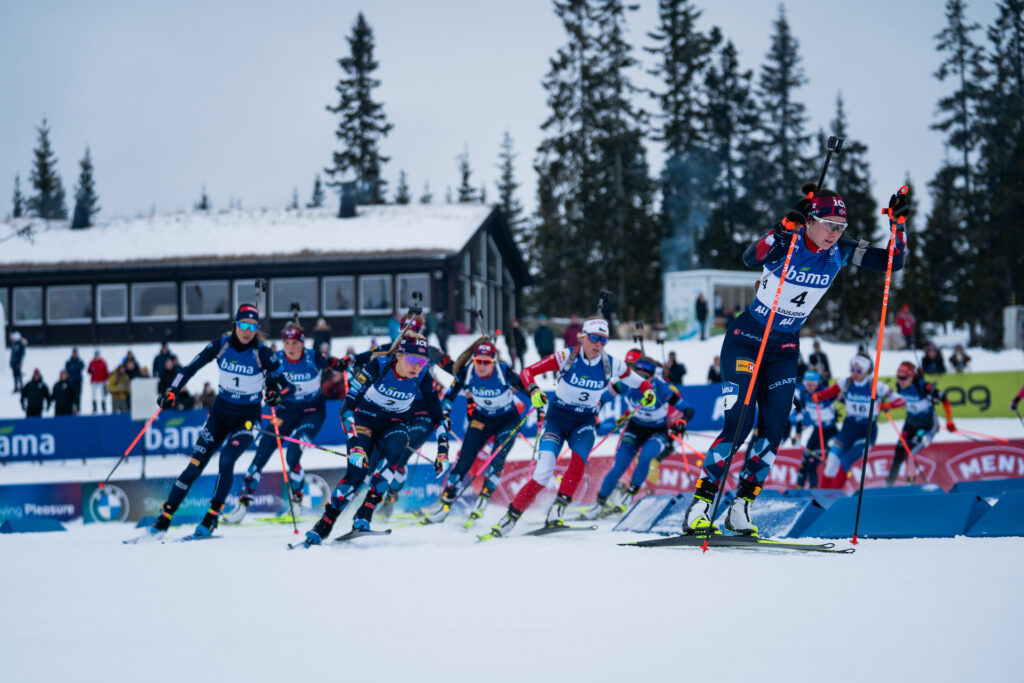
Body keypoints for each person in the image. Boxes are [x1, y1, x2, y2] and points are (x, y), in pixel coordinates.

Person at [682, 184, 908, 536]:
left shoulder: (842, 251)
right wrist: (781, 229)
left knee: (774, 429)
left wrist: (898, 227)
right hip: (747, 340)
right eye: (829, 225)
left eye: (841, 227)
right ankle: (702, 503)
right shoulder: (788, 242)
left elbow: (893, 261)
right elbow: (751, 257)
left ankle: (741, 507)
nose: (835, 234)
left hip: (784, 347)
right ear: (810, 221)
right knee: (739, 423)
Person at [482, 316, 655, 539]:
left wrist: (648, 391)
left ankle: (557, 510)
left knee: (579, 461)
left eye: (604, 340)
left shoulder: (611, 364)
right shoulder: (566, 357)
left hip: (584, 422)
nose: (599, 344)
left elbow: (640, 382)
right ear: (583, 337)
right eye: (595, 338)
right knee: (543, 473)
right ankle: (510, 517)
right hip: (557, 419)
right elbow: (527, 372)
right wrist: (534, 390)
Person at [143, 304, 292, 540]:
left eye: (253, 327)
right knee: (194, 466)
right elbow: (190, 368)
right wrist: (172, 390)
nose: (247, 331)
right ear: (235, 324)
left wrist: (277, 395)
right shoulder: (220, 346)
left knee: (226, 460)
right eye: (243, 325)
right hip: (219, 416)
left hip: (247, 420)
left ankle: (211, 518)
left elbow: (288, 386)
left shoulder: (262, 353)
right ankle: (164, 518)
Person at [301, 334, 450, 545]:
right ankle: (324, 524)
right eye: (412, 359)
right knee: (357, 475)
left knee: (396, 450)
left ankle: (364, 514)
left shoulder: (423, 375)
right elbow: (347, 408)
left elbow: (438, 416)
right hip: (365, 419)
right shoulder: (378, 366)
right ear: (399, 355)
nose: (417, 366)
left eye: (423, 361)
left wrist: (443, 450)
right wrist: (355, 445)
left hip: (395, 423)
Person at [230, 323, 338, 520]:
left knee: (293, 454)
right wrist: (269, 391)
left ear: (302, 343)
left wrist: (352, 364)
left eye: (295, 343)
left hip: (312, 413)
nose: (290, 347)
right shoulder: (276, 359)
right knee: (262, 451)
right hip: (286, 412)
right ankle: (242, 506)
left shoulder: (313, 357)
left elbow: (337, 365)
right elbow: (258, 376)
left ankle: (297, 503)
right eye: (287, 343)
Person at [420, 338, 529, 526]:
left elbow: (529, 389)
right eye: (479, 361)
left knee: (497, 457)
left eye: (487, 362)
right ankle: (444, 506)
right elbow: (449, 397)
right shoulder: (466, 372)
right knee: (464, 461)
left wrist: (540, 400)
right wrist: (445, 414)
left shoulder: (503, 372)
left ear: (494, 362)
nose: (482, 366)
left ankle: (483, 499)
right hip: (481, 419)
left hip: (507, 421)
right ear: (474, 360)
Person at [582, 355, 694, 519]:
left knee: (646, 455)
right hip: (634, 429)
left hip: (657, 431)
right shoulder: (626, 383)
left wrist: (681, 422)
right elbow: (601, 399)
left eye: (645, 376)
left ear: (652, 377)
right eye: (638, 375)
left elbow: (689, 410)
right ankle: (599, 503)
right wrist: (595, 414)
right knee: (619, 466)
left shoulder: (660, 387)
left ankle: (629, 495)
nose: (640, 380)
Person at [811, 354, 903, 489]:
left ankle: (835, 494)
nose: (854, 373)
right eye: (852, 369)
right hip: (848, 429)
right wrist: (818, 396)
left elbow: (900, 401)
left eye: (858, 370)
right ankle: (821, 495)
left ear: (866, 371)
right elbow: (829, 393)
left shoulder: (875, 385)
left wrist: (885, 405)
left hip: (866, 431)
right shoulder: (846, 382)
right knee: (831, 464)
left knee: (846, 461)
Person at [885, 361, 955, 486]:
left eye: (904, 377)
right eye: (898, 377)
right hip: (910, 423)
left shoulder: (923, 387)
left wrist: (949, 421)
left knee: (910, 453)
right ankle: (888, 486)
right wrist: (886, 405)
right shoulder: (899, 386)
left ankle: (910, 486)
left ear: (912, 376)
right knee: (898, 453)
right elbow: (901, 402)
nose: (900, 380)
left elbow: (944, 398)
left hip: (928, 425)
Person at [788, 370, 837, 489]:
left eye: (811, 384)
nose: (808, 386)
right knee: (806, 460)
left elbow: (840, 396)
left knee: (821, 462)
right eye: (806, 383)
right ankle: (800, 489)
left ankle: (827, 489)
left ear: (817, 383)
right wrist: (798, 433)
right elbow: (800, 415)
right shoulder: (804, 395)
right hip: (817, 431)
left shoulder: (825, 391)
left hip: (829, 431)